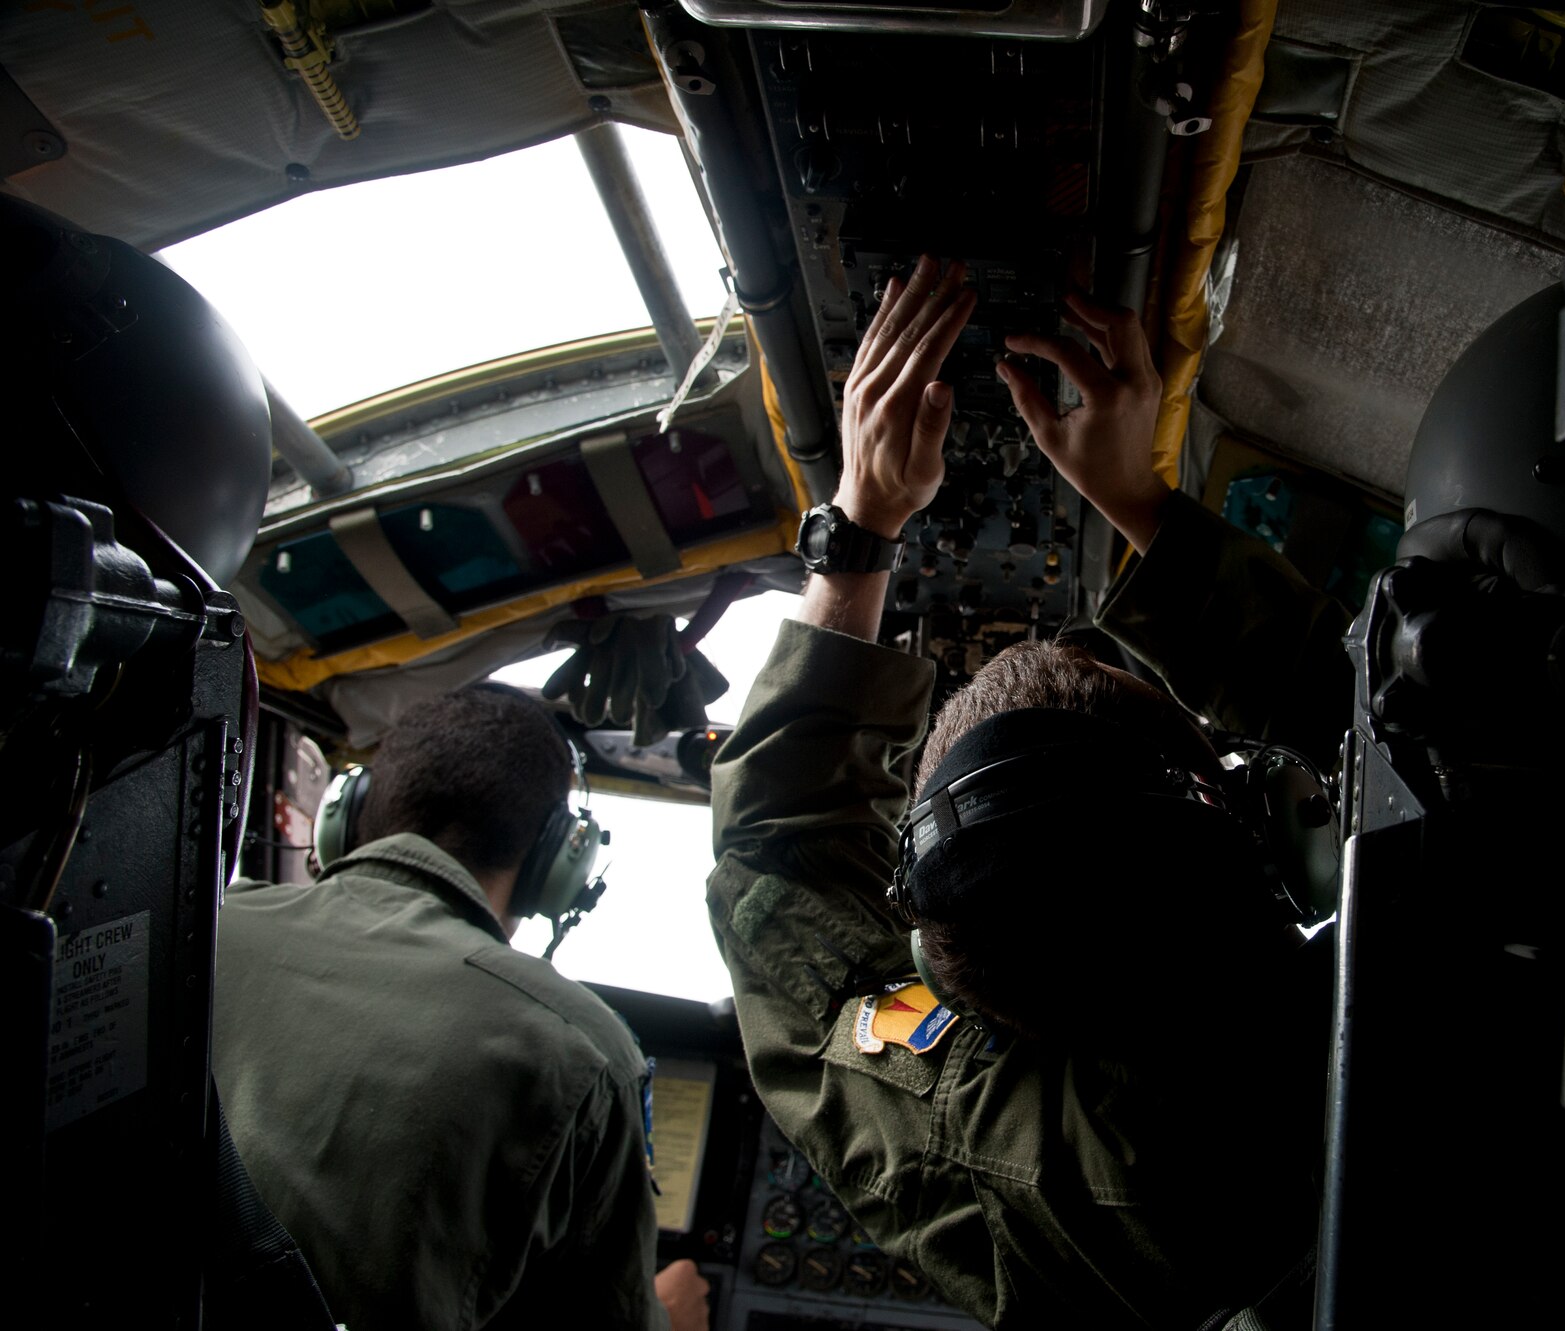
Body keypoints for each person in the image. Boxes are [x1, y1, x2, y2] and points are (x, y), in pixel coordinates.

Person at [707, 256, 1341, 1327]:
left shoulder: (1071, 1190)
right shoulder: (1464, 953)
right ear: (1262, 821)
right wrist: (1131, 495)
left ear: (942, 978)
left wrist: (864, 519)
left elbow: (773, 891)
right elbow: (1406, 719)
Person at [212, 686, 710, 1331]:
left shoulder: (203, 925)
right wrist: (672, 1316)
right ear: (558, 861)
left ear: (344, 814)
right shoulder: (582, 1050)